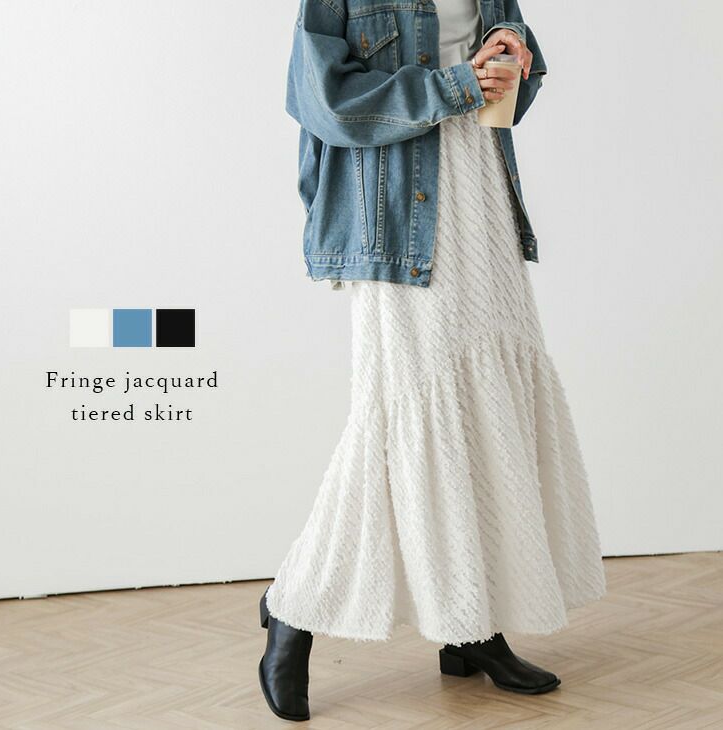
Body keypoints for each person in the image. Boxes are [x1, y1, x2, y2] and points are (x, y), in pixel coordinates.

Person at [258, 0, 607, 721]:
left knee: (490, 409)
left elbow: (509, 78)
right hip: (395, 213)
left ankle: (471, 626)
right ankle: (293, 607)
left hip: (482, 190)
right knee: (402, 421)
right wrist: (454, 85)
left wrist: (511, 47)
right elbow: (324, 99)